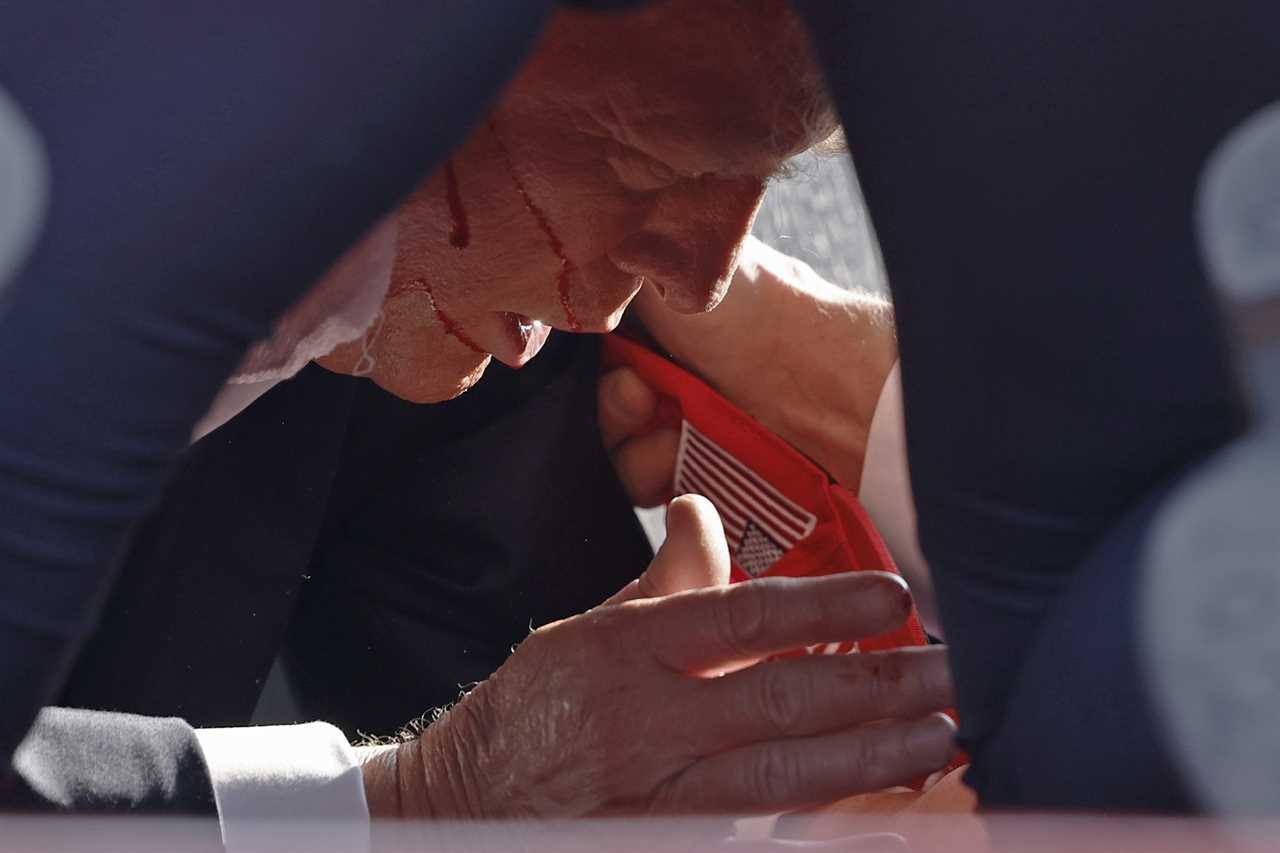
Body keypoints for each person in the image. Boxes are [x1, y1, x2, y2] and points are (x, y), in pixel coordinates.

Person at [0, 0, 957, 837]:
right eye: (644, 157)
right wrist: (419, 803)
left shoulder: (478, 255)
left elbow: (558, 762)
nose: (704, 279)